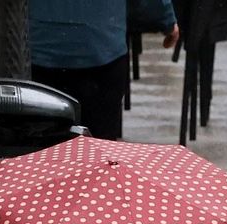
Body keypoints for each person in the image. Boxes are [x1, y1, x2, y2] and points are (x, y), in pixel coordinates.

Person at [28, 0, 179, 141]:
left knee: (35, 150)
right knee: (99, 150)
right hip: (101, 47)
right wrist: (165, 18)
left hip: (37, 48)